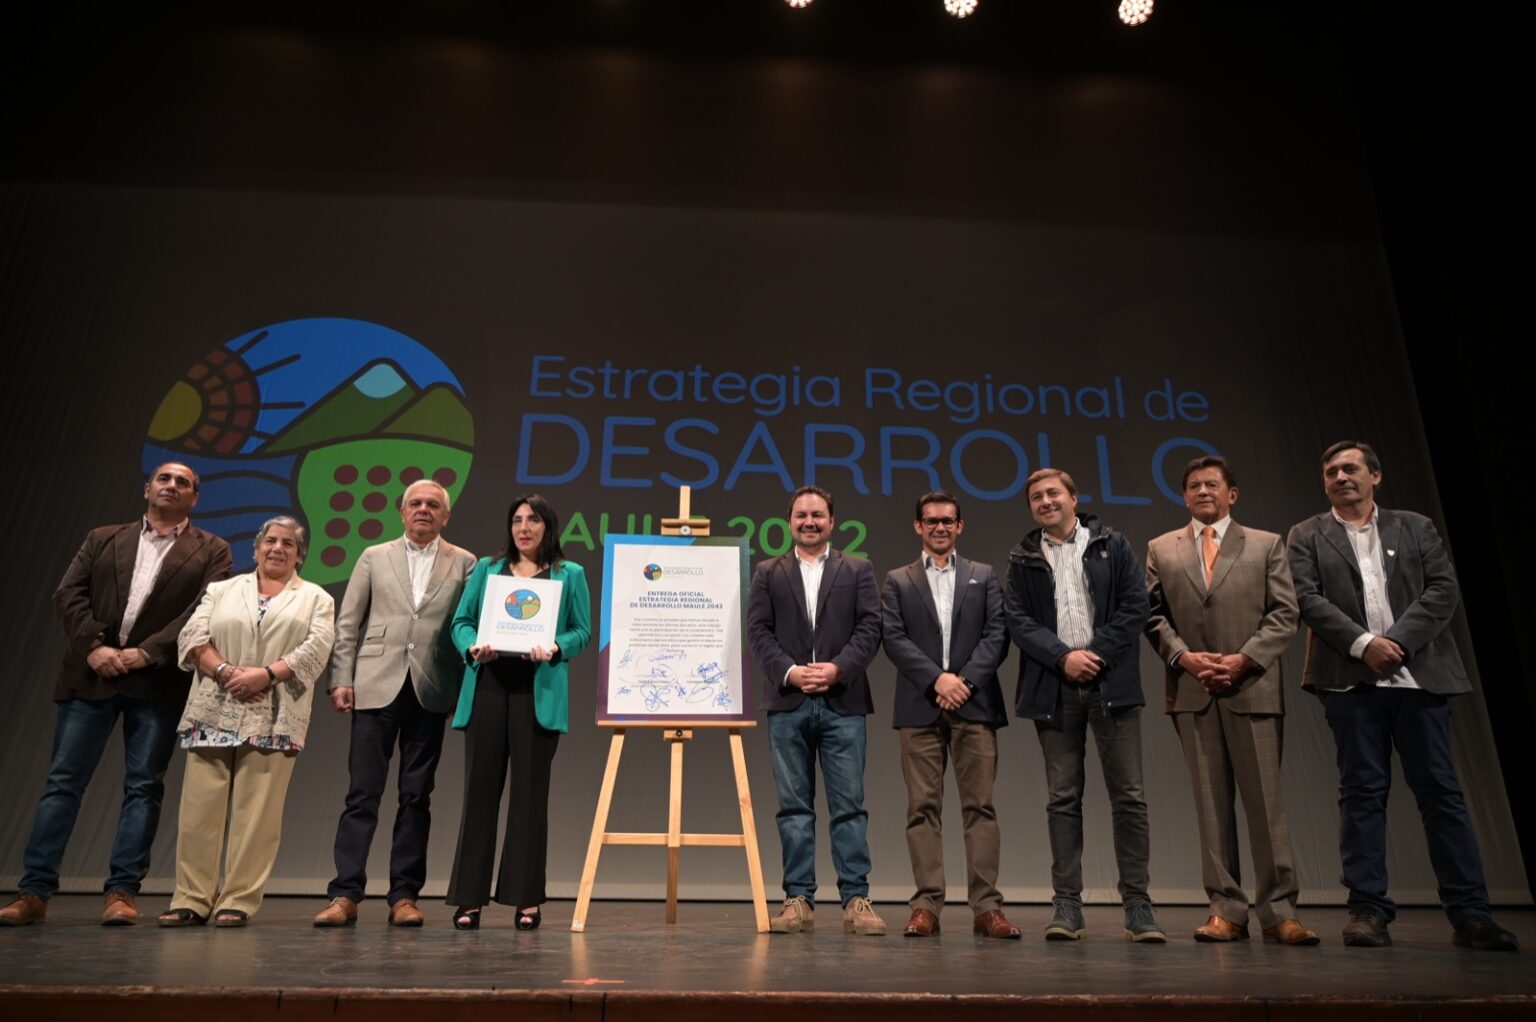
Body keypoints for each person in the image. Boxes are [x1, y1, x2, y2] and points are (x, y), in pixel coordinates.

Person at [1286, 441, 1519, 951]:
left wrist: (1397, 644)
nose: (1340, 477)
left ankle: (1471, 914)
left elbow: (1442, 589)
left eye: (1350, 468)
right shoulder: (1306, 534)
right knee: (1361, 794)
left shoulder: (1415, 526)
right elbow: (1306, 598)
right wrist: (1364, 645)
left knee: (1441, 794)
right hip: (1350, 680)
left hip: (1419, 678)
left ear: (1375, 475)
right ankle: (1368, 909)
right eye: (1330, 472)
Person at [0, 463, 231, 928]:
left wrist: (148, 652)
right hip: (93, 675)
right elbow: (69, 594)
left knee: (143, 787)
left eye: (183, 483)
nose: (172, 486)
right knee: (63, 783)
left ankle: (122, 892)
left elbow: (203, 610)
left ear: (195, 498)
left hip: (157, 681)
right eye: (164, 479)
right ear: (147, 488)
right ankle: (34, 892)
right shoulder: (103, 538)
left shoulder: (212, 549)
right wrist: (94, 646)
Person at [1144, 456, 1318, 945]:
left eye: (1212, 484)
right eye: (1194, 486)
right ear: (1184, 496)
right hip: (1194, 691)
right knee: (1210, 806)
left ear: (1232, 494)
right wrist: (1184, 657)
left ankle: (1279, 912)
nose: (1203, 491)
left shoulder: (1265, 544)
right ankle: (1226, 909)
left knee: (1266, 806)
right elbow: (1152, 615)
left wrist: (1244, 659)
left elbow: (1284, 613)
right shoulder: (1161, 547)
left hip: (1251, 687)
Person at [1006, 468, 1163, 943]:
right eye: (1037, 497)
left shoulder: (1112, 545)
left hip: (1110, 682)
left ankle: (1138, 906)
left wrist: (1094, 654)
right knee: (1062, 799)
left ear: (1074, 498)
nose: (1045, 501)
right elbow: (1017, 620)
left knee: (1129, 796)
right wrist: (1063, 657)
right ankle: (1067, 906)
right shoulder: (1023, 557)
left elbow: (1136, 605)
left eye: (1053, 493)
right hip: (1054, 687)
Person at [313, 480, 476, 928]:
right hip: (374, 684)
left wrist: (461, 692)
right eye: (415, 503)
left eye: (433, 505)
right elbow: (348, 622)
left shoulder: (465, 561)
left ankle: (404, 896)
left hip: (432, 687)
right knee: (362, 794)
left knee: (416, 797)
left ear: (446, 516)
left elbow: (467, 625)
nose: (423, 509)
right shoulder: (374, 555)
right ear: (402, 511)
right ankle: (345, 894)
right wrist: (341, 678)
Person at [157, 516, 335, 927]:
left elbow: (316, 648)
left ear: (300, 555)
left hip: (273, 714)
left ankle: (237, 899)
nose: (277, 548)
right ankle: (191, 899)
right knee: (199, 811)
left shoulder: (316, 598)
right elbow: (193, 636)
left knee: (257, 817)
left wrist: (265, 675)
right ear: (256, 549)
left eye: (288, 543)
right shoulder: (221, 590)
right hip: (214, 707)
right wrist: (225, 673)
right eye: (270, 541)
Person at [446, 494, 591, 931]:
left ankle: (526, 898)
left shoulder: (569, 574)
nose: (524, 527)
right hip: (488, 686)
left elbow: (582, 631)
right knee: (479, 794)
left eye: (533, 520)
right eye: (517, 520)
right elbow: (461, 622)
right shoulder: (488, 569)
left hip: (537, 692)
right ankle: (469, 898)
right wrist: (472, 646)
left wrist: (556, 647)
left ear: (549, 526)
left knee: (529, 798)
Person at [747, 485, 886, 936]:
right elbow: (758, 631)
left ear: (832, 521)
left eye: (818, 515)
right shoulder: (768, 572)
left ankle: (856, 900)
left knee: (849, 807)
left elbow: (870, 626)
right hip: (788, 702)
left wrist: (838, 668)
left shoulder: (858, 568)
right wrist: (790, 673)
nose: (810, 522)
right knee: (793, 808)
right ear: (789, 522)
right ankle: (798, 900)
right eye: (802, 515)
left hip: (843, 701)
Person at [882, 490, 1017, 939]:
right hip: (919, 706)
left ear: (960, 526)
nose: (939, 527)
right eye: (931, 521)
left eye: (947, 521)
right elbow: (894, 638)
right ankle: (926, 906)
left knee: (980, 807)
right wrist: (937, 680)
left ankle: (987, 908)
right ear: (918, 526)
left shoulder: (984, 575)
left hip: (974, 704)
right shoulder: (898, 580)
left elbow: (997, 635)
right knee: (922, 809)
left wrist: (965, 682)